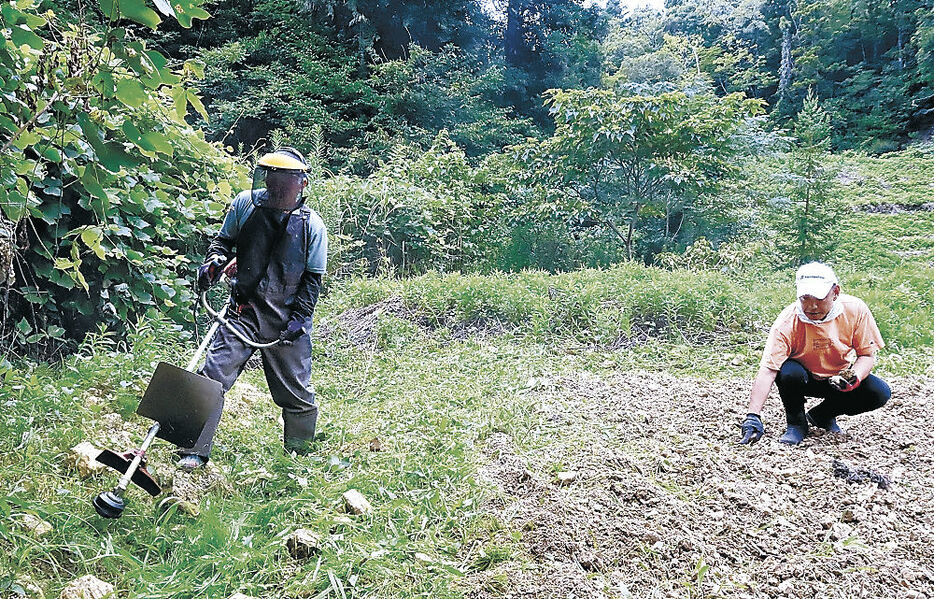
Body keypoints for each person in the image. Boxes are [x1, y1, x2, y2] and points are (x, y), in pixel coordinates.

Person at [177, 147, 328, 469]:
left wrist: (299, 318)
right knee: (212, 376)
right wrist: (214, 263)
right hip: (242, 309)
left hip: (286, 316)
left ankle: (299, 457)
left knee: (296, 391)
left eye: (283, 182)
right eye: (271, 179)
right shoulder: (246, 205)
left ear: (300, 184)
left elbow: (313, 279)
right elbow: (222, 242)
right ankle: (193, 450)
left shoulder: (312, 225)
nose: (275, 188)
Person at [738, 262, 890, 446]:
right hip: (802, 379)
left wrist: (854, 377)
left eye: (819, 299)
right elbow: (768, 369)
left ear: (835, 292)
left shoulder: (855, 310)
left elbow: (866, 355)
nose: (812, 306)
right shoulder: (787, 321)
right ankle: (796, 424)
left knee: (879, 392)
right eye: (805, 299)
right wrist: (753, 415)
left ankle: (823, 414)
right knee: (789, 371)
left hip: (837, 378)